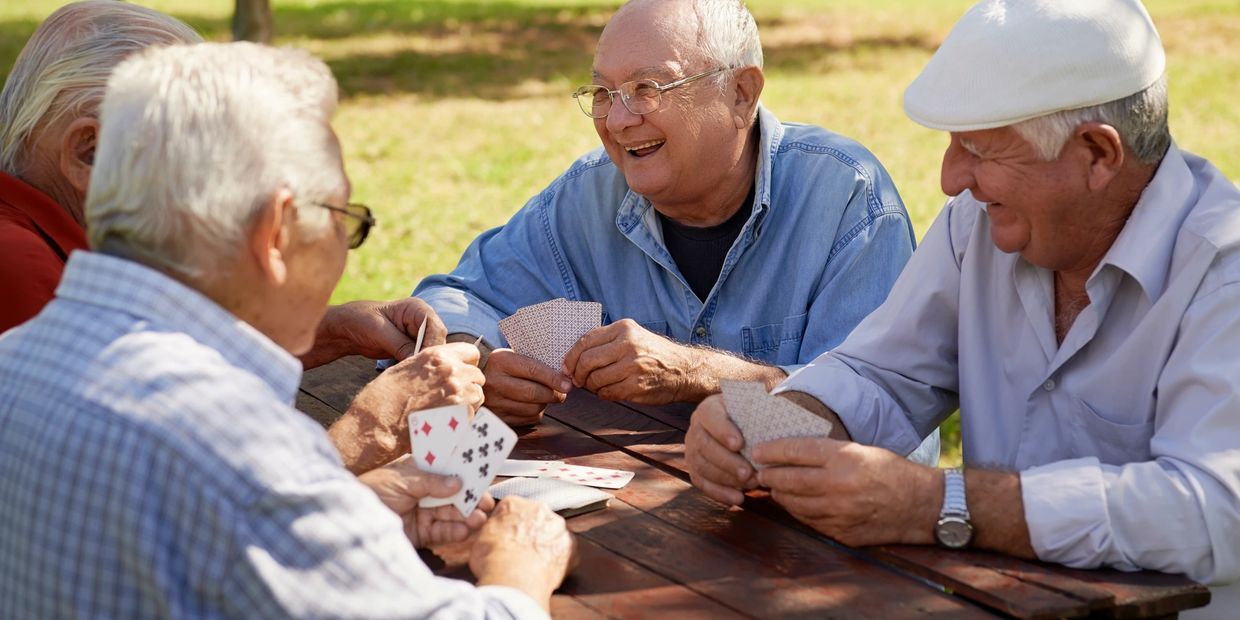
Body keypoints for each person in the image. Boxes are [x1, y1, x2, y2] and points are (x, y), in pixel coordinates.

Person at [685, 0, 1239, 616]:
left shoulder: (1224, 272)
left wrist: (940, 503)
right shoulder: (976, 226)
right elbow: (882, 374)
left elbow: (1214, 510)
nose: (951, 178)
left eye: (981, 149)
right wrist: (766, 426)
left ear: (1097, 155)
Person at [0, 42, 573, 617]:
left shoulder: (16, 357)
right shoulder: (237, 439)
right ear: (276, 232)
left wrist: (352, 509)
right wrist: (518, 566)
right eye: (345, 222)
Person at [412, 0, 939, 462]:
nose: (617, 120)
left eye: (646, 88)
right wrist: (477, 360)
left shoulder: (846, 197)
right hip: (638, 526)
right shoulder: (588, 196)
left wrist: (699, 375)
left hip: (804, 545)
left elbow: (877, 428)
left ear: (740, 93)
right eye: (602, 92)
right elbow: (451, 299)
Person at [0, 1, 458, 475]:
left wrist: (332, 330)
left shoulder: (64, 245)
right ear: (89, 153)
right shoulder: (20, 267)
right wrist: (375, 425)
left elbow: (173, 371)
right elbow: (168, 490)